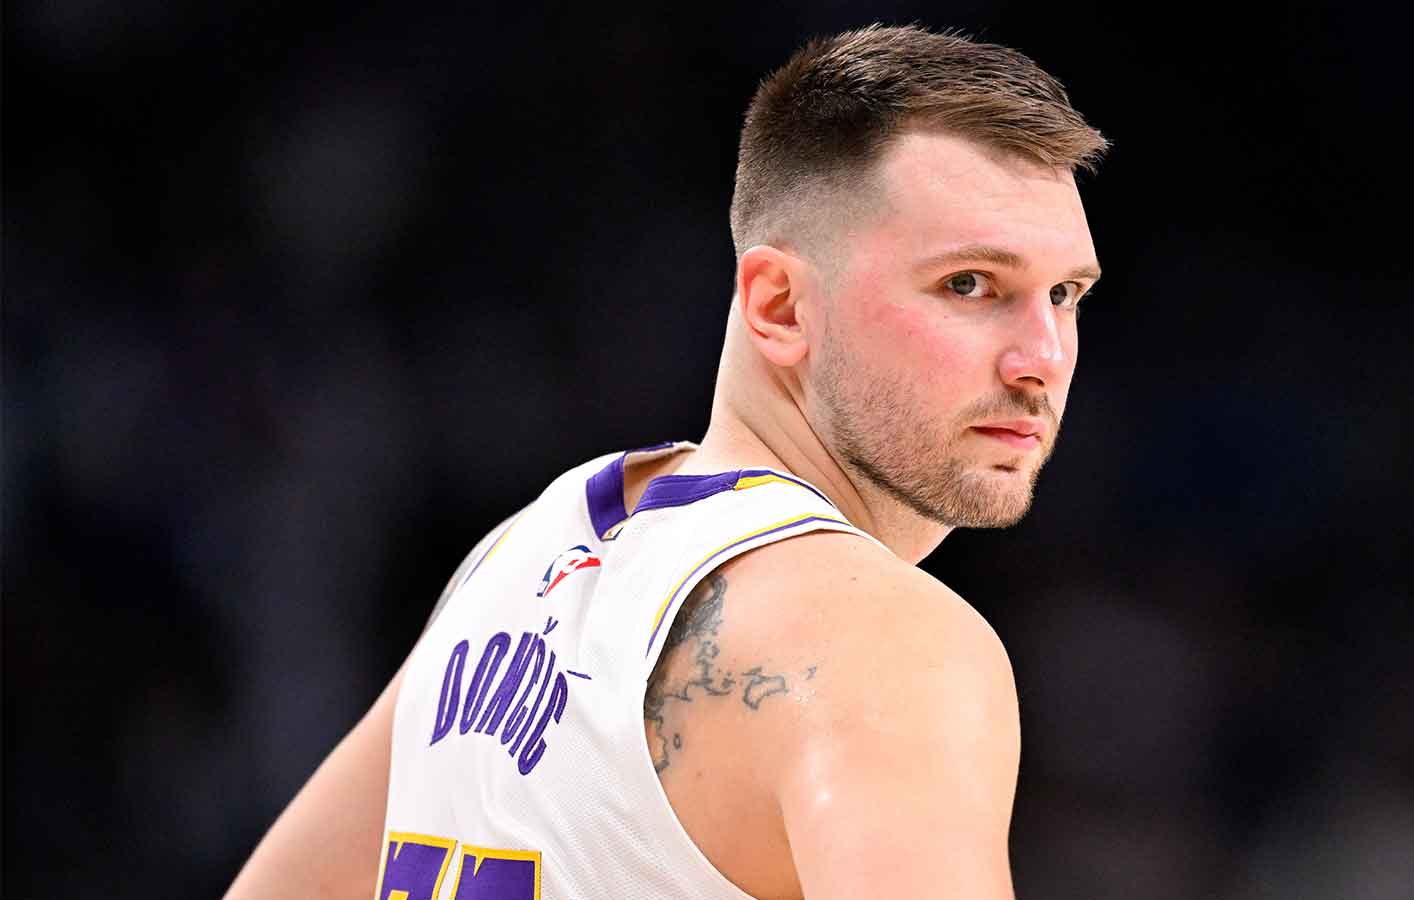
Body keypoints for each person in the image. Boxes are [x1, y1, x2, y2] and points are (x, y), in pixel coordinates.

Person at [225, 23, 1106, 900]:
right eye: (970, 285)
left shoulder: (519, 555)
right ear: (780, 305)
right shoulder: (884, 644)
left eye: (1064, 294)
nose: (1042, 356)